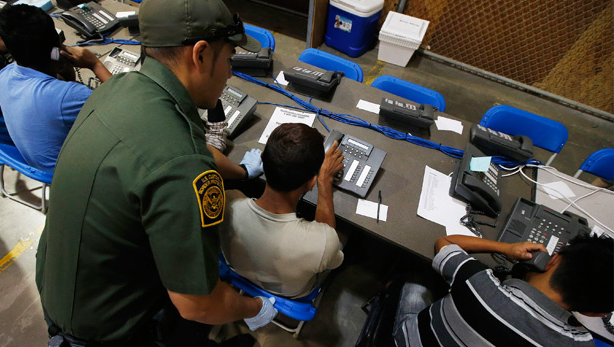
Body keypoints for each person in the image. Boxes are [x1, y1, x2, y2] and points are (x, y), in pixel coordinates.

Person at [36, 0, 277, 345]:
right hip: (110, 330)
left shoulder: (120, 88)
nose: (230, 73)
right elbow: (199, 305)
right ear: (201, 55)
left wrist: (239, 170)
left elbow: (172, 146)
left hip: (61, 292)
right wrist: (255, 307)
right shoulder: (184, 166)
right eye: (229, 59)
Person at [393, 234, 614, 346]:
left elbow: (445, 242)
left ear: (553, 259)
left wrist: (505, 248)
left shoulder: (478, 281)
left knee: (419, 275)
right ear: (596, 313)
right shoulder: (581, 344)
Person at [220, 123, 345, 299]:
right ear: (311, 183)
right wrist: (324, 182)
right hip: (293, 293)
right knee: (340, 243)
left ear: (262, 159)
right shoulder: (322, 243)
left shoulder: (228, 202)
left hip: (238, 273)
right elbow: (327, 242)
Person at [0, 3, 112, 171]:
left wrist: (59, 62)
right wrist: (95, 64)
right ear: (57, 45)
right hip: (76, 175)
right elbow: (127, 108)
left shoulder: (4, 75)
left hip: (38, 166)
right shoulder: (70, 96)